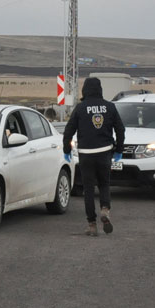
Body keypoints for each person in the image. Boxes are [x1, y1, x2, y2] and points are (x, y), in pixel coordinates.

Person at [62, 77, 126, 236]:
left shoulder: (80, 108)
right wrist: (119, 149)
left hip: (86, 154)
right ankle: (105, 209)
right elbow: (120, 129)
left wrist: (66, 149)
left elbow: (69, 130)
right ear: (100, 89)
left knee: (88, 190)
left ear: (85, 90)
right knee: (104, 184)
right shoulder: (110, 107)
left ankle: (91, 224)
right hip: (104, 152)